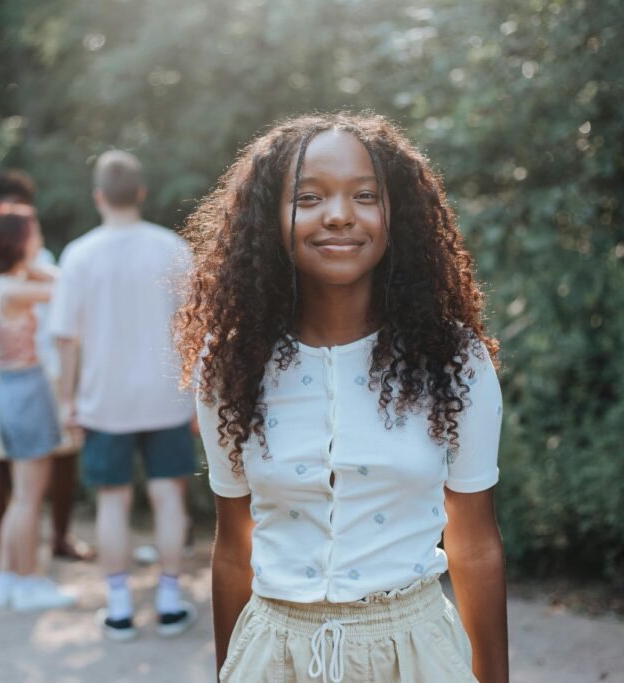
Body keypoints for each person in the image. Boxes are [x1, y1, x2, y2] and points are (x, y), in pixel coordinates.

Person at [177, 113, 508, 682]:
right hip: (272, 657)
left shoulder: (455, 360)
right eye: (308, 197)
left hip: (417, 655)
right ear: (269, 219)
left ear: (395, 216)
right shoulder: (230, 364)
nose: (338, 215)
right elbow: (234, 544)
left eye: (364, 195)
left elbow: (474, 543)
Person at [50, 150, 198, 641]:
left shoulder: (79, 255)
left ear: (98, 197)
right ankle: (171, 603)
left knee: (112, 502)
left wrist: (66, 400)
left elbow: (65, 337)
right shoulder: (172, 248)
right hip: (166, 396)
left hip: (104, 398)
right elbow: (194, 329)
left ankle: (118, 609)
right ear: (140, 192)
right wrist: (197, 395)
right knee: (168, 496)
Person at [0, 170, 89, 567]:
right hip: (16, 380)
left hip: (32, 376)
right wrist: (11, 357)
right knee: (19, 484)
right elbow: (68, 292)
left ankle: (34, 550)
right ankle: (10, 560)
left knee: (50, 469)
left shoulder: (8, 271)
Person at [0, 204, 78, 611]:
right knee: (28, 497)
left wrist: (30, 265)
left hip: (7, 388)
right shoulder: (16, 289)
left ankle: (5, 574)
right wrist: (38, 266)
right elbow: (71, 287)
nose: (39, 241)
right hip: (28, 389)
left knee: (21, 494)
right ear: (20, 242)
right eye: (33, 234)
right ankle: (28, 581)